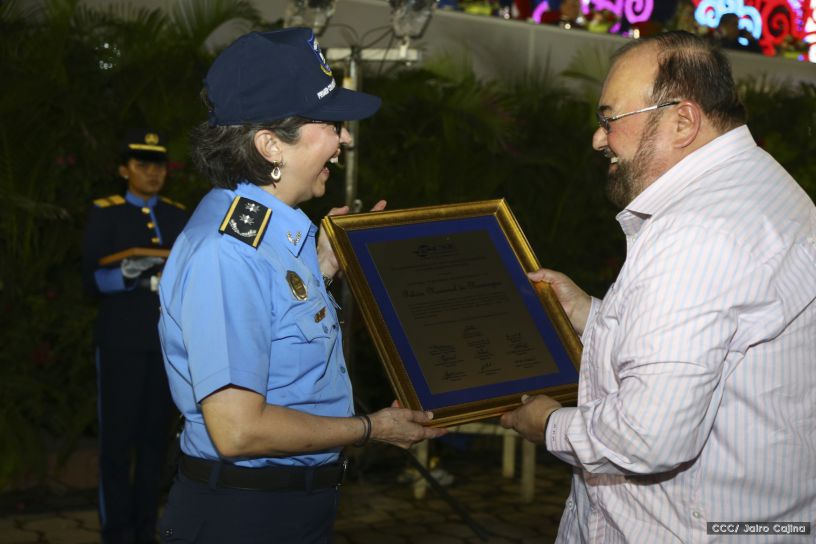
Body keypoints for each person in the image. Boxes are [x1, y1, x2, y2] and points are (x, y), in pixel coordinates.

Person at [501, 31, 816, 542]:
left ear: (682, 121)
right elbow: (701, 345)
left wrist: (549, 424)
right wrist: (588, 313)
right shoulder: (759, 184)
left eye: (609, 120)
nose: (599, 139)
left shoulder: (696, 229)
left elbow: (649, 437)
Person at [156, 28, 447, 543]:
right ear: (271, 144)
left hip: (287, 506)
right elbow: (238, 430)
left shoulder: (271, 237)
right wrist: (371, 429)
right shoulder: (229, 252)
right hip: (244, 517)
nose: (346, 139)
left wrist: (324, 267)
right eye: (333, 124)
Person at [81, 129, 188, 544]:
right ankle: (117, 532)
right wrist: (125, 275)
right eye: (143, 165)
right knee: (116, 441)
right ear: (124, 170)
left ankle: (146, 528)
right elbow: (91, 277)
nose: (152, 173)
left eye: (158, 165)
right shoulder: (106, 212)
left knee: (153, 441)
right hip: (121, 339)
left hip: (165, 343)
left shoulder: (178, 214)